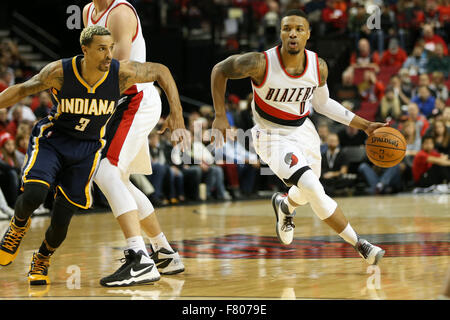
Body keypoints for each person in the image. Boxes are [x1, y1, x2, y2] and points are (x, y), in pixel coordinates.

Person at [0, 25, 185, 287]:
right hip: (54, 141)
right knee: (34, 194)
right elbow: (21, 90)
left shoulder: (120, 74)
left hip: (86, 150)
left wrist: (176, 111)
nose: (109, 55)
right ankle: (17, 226)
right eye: (101, 49)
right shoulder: (60, 72)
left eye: (110, 48)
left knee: (61, 224)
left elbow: (161, 72)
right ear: (84, 50)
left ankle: (42, 258)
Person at [211, 9, 386, 265]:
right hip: (270, 135)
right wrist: (220, 115)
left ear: (308, 34)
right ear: (281, 32)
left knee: (305, 192)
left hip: (304, 130)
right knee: (315, 189)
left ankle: (285, 206)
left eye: (299, 29)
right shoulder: (260, 63)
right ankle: (361, 245)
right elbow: (219, 70)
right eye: (287, 28)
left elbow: (324, 104)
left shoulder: (318, 66)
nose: (292, 33)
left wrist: (365, 125)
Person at [83, 0, 187, 287]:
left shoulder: (120, 13)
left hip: (135, 98)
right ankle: (164, 252)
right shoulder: (87, 12)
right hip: (118, 104)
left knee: (105, 173)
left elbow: (116, 69)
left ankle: (139, 258)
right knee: (121, 181)